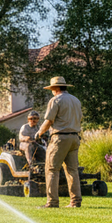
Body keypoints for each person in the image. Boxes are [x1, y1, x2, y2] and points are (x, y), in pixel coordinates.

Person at [35, 76, 83, 209]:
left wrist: (39, 133)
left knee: (51, 169)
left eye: (51, 89)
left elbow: (49, 120)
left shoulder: (55, 100)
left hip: (60, 138)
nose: (51, 91)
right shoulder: (76, 100)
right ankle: (75, 201)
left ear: (55, 88)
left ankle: (52, 202)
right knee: (72, 170)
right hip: (74, 137)